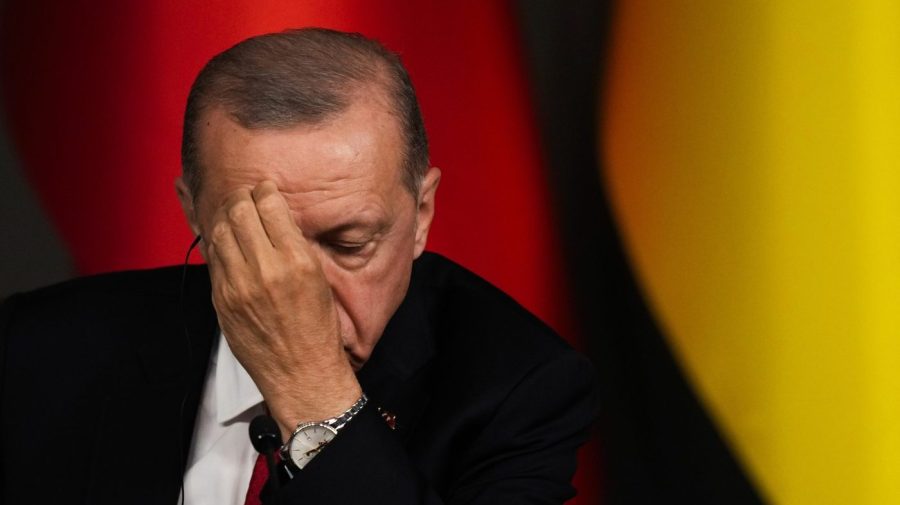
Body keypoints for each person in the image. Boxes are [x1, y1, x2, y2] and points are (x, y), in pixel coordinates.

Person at [0, 28, 598, 504]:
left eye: (349, 244)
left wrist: (312, 394)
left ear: (420, 212)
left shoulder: (521, 388)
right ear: (194, 215)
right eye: (261, 238)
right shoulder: (35, 351)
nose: (296, 291)